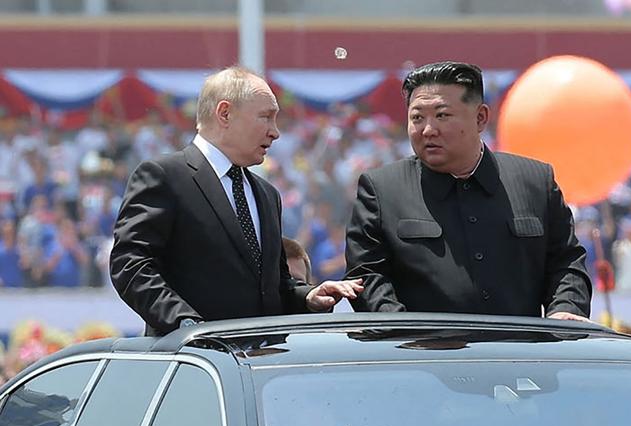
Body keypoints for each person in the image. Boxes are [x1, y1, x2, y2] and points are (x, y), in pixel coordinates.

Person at [111, 66, 362, 336]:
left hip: (261, 365)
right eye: (265, 117)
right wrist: (186, 325)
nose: (275, 132)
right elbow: (130, 264)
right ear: (225, 113)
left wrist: (308, 297)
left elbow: (272, 285)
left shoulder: (267, 195)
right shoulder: (165, 177)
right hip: (194, 365)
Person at [345, 61, 591, 320]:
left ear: (480, 117)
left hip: (520, 352)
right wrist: (405, 328)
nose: (428, 130)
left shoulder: (535, 182)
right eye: (417, 117)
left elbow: (566, 261)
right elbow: (366, 276)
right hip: (423, 354)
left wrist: (566, 308)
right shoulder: (382, 190)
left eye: (442, 115)